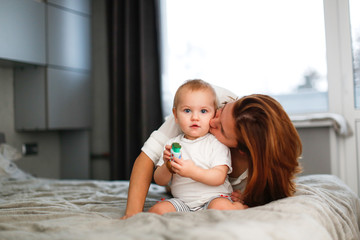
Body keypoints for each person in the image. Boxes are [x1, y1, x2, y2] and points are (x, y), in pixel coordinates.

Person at [121, 83, 302, 219]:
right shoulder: (202, 103)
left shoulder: (257, 170)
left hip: (213, 198)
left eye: (221, 129)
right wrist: (131, 215)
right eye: (220, 112)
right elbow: (148, 156)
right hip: (181, 198)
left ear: (241, 150)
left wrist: (248, 199)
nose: (210, 122)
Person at [148, 80, 242, 214]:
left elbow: (218, 177)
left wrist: (192, 171)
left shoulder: (216, 143)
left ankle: (240, 207)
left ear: (213, 113)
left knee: (221, 206)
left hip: (213, 199)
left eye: (203, 111)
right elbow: (160, 181)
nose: (195, 117)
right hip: (183, 202)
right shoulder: (172, 144)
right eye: (187, 110)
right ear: (175, 115)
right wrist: (167, 166)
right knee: (157, 210)